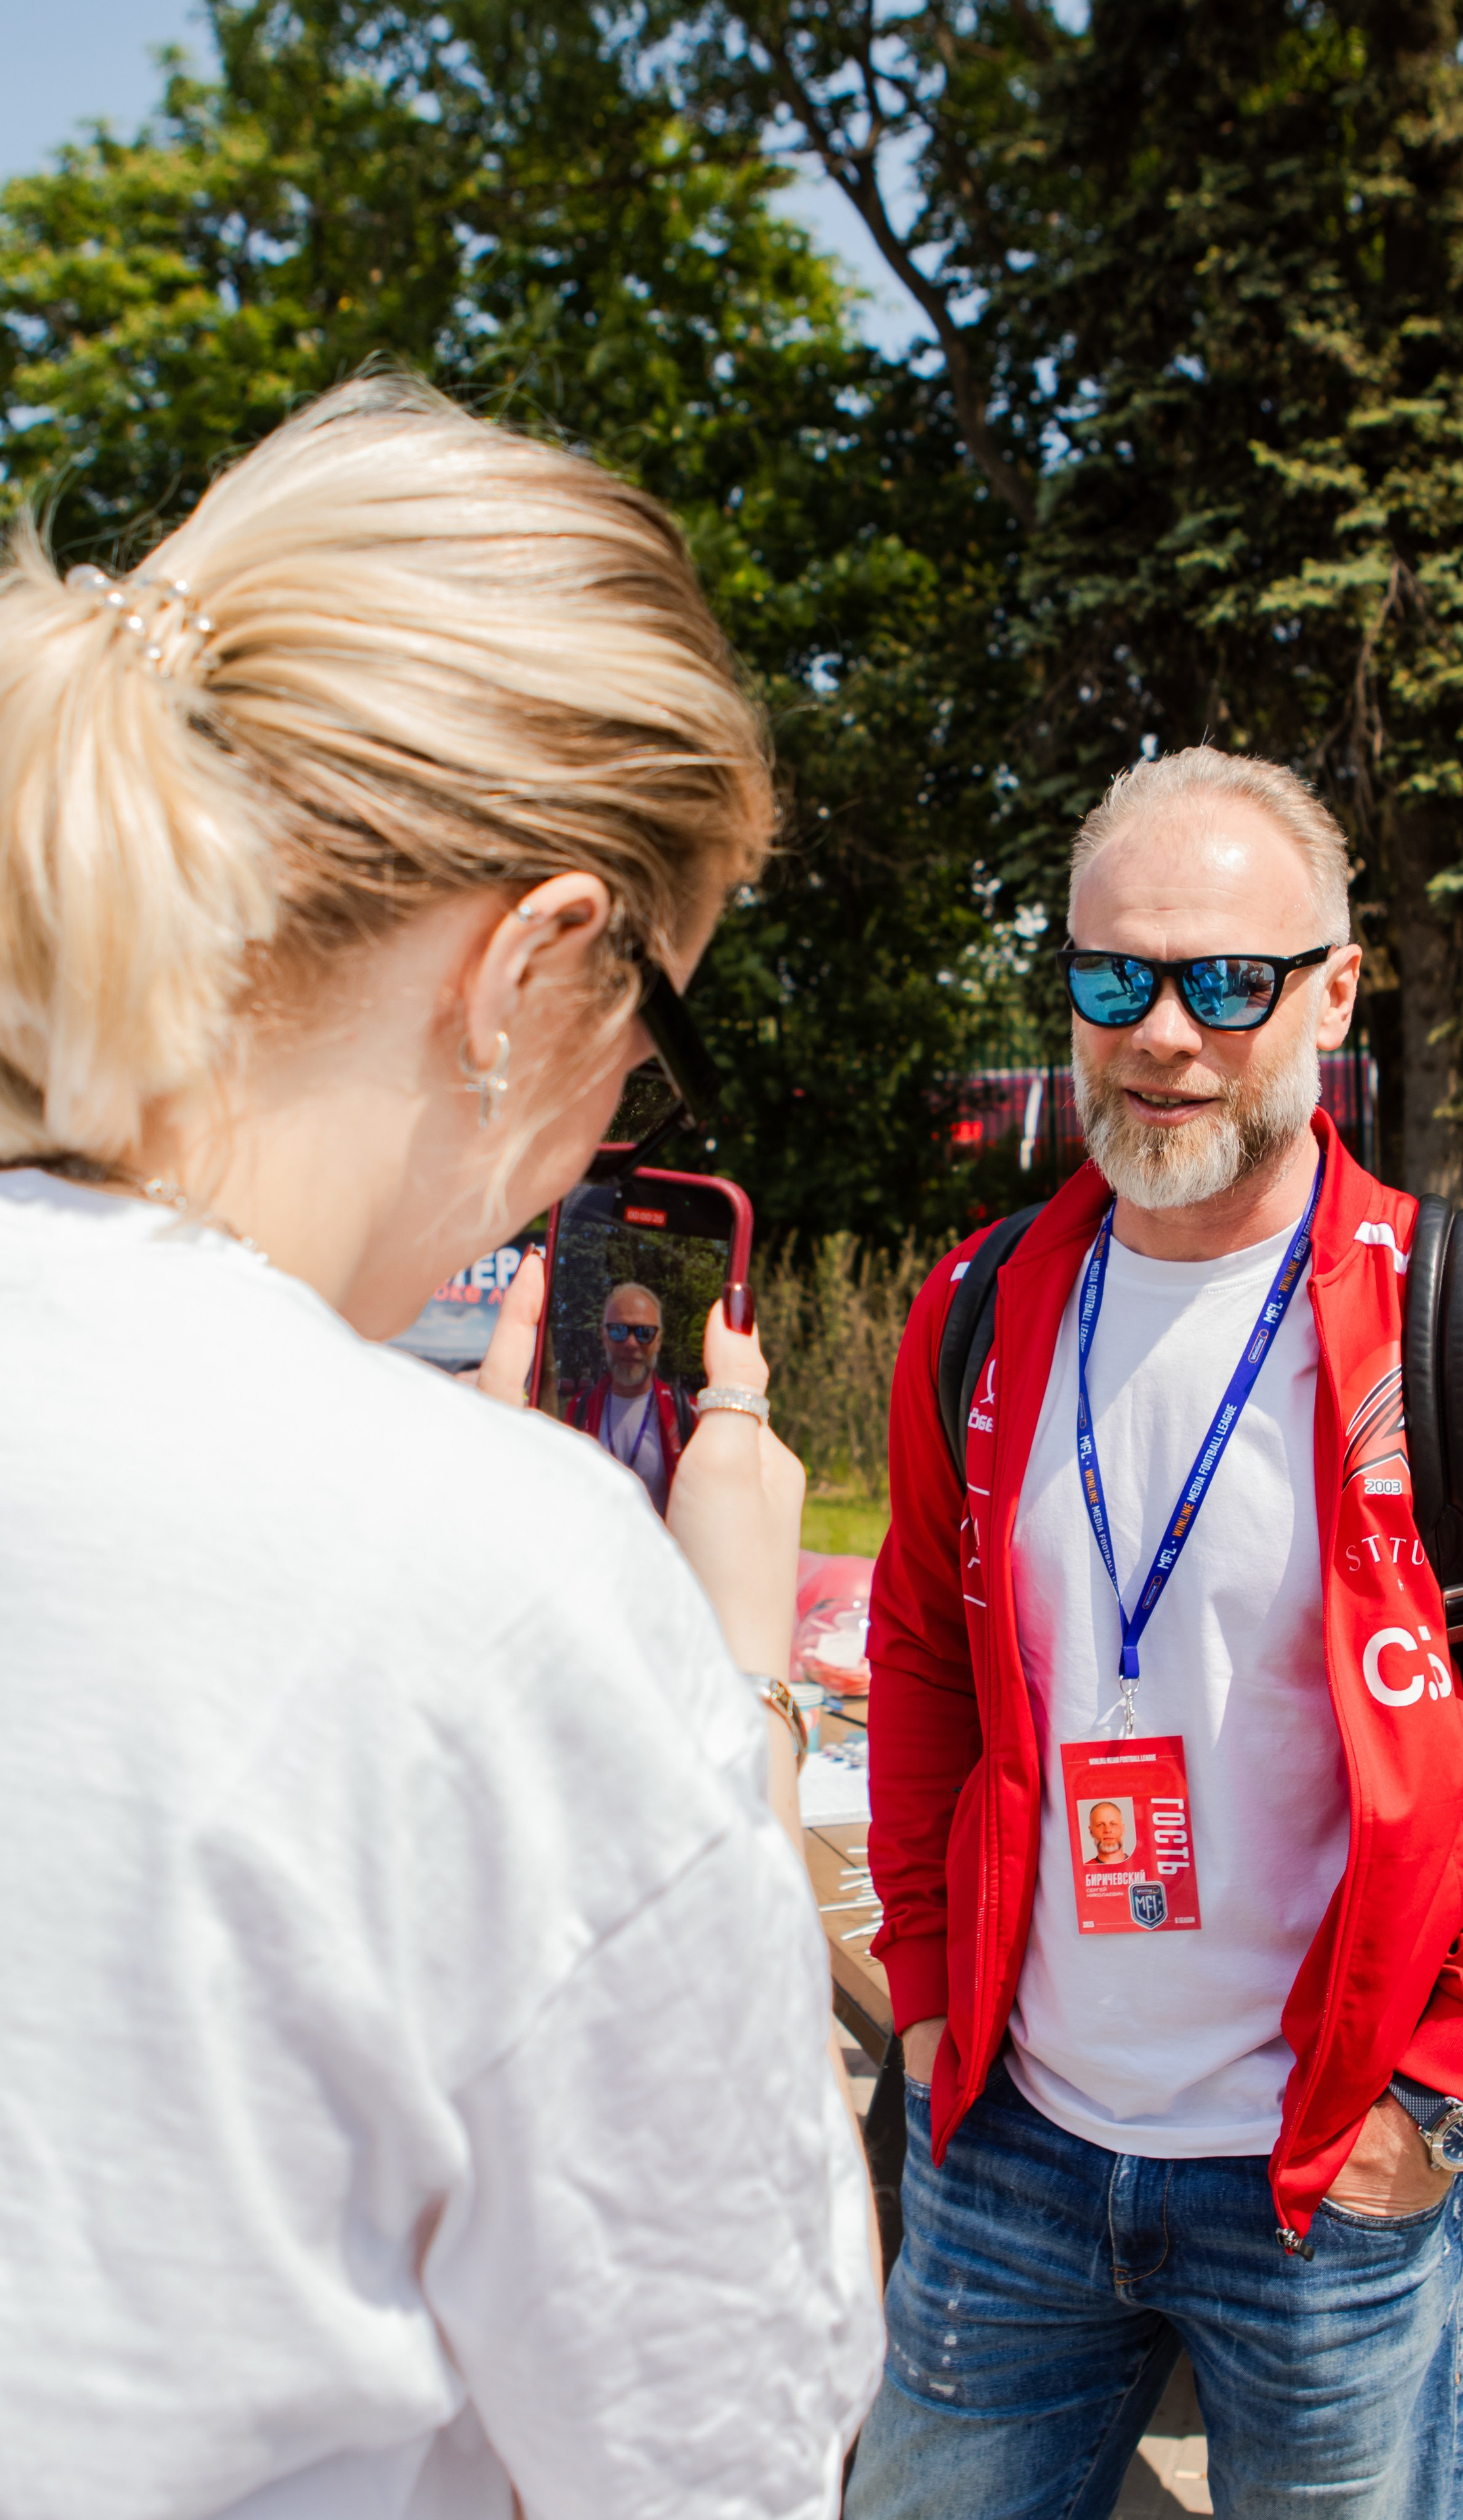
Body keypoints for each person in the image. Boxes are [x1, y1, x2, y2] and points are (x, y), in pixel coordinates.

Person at [0, 377, 880, 2519]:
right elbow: (721, 2433)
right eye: (649, 1055)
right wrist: (733, 1671)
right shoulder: (493, 1585)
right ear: (534, 964)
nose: (612, 1142)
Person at [848, 745, 1463, 2520]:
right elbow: (919, 1655)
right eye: (1111, 976)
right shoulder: (972, 1315)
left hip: (1329, 2181)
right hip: (1013, 2149)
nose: (1164, 1034)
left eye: (1229, 981)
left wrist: (1440, 2097)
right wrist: (924, 2007)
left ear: (1336, 991)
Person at [567, 1280, 694, 1514]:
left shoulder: (685, 1413)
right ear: (603, 1336)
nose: (631, 1343)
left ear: (659, 1341)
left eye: (645, 1333)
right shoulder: (579, 1409)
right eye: (618, 1331)